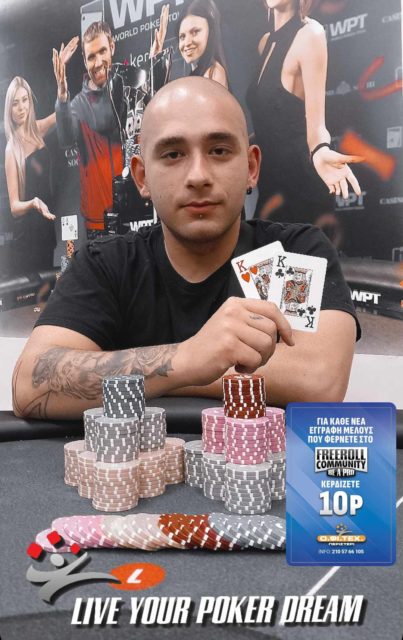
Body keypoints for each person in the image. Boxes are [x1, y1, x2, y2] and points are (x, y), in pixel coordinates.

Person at [12, 77, 359, 421]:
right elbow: (30, 384)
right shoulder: (106, 264)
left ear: (251, 167)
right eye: (173, 154)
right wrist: (189, 359)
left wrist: (152, 374)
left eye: (219, 151)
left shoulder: (293, 253)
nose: (198, 176)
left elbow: (319, 378)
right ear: (142, 178)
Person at [52, 8, 169, 239]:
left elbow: (158, 114)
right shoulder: (77, 105)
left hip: (136, 214)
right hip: (98, 222)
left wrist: (155, 63)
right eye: (91, 57)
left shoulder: (131, 88)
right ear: (84, 61)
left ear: (112, 47)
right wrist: (62, 96)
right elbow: (65, 139)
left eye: (102, 51)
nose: (98, 62)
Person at [247, 0, 362, 222]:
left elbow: (316, 126)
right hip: (270, 186)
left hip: (300, 187)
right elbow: (272, 119)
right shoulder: (264, 42)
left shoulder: (310, 34)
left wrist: (320, 149)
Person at [4, 59, 76, 274]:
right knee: (36, 289)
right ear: (9, 109)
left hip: (47, 226)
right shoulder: (12, 148)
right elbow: (14, 207)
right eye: (15, 103)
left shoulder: (38, 129)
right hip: (28, 235)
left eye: (24, 100)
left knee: (51, 281)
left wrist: (62, 85)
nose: (21, 107)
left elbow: (63, 110)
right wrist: (34, 203)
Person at [177, 0, 228, 88]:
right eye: (182, 37)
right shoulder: (199, 75)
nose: (187, 43)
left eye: (195, 32)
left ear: (211, 32)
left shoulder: (213, 73)